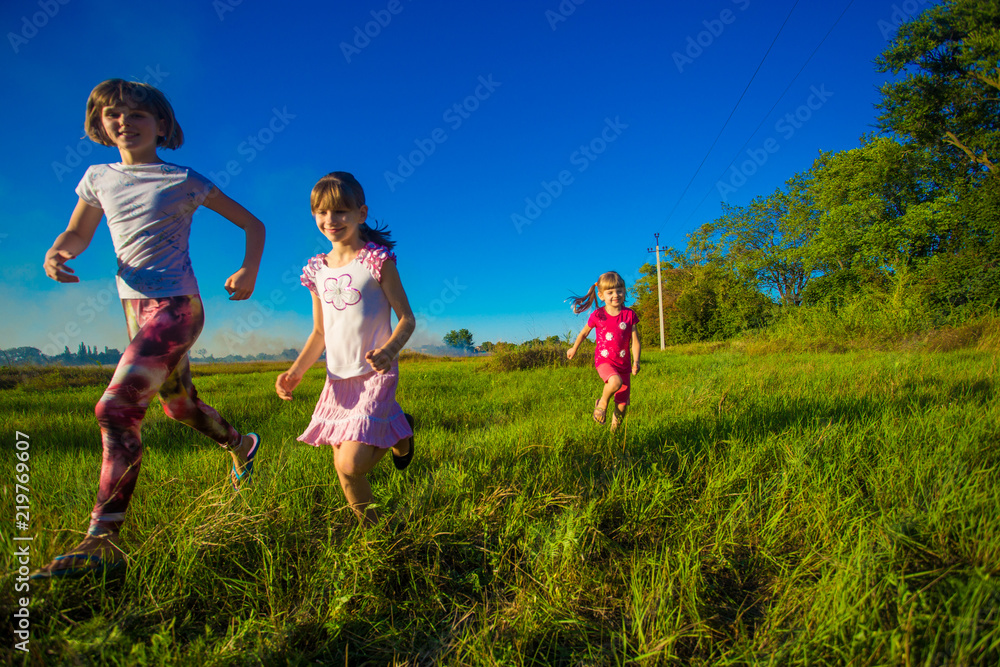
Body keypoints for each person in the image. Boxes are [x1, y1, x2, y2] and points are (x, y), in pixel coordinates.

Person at [32, 79, 266, 578]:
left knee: (116, 408)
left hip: (179, 307)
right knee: (179, 406)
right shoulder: (97, 177)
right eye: (112, 114)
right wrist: (59, 252)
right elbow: (78, 231)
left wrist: (248, 269)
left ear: (161, 125)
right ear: (100, 125)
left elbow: (253, 224)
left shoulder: (184, 179)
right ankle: (241, 445)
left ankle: (102, 540)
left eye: (137, 114)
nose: (124, 122)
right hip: (135, 310)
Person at [276, 172, 415, 527]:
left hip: (374, 375)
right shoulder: (316, 270)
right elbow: (320, 331)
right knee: (345, 472)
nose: (330, 220)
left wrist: (388, 350)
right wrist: (295, 373)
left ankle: (399, 432)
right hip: (338, 380)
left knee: (349, 465)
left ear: (361, 214)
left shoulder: (376, 261)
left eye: (340, 211)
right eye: (321, 212)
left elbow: (407, 319)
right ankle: (376, 533)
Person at [566, 271, 641, 430]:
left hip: (624, 364)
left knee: (622, 404)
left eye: (619, 290)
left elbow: (635, 340)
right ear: (601, 295)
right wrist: (574, 348)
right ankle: (602, 403)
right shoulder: (598, 315)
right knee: (615, 382)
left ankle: (615, 435)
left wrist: (636, 361)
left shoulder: (629, 315)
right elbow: (584, 332)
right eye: (610, 292)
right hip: (604, 361)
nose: (616, 295)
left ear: (624, 291)